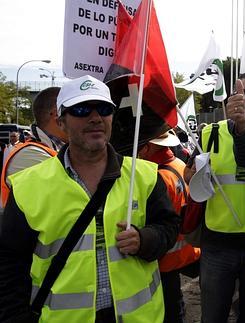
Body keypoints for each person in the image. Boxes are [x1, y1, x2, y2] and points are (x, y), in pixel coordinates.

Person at [0, 75, 180, 322]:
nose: (95, 117)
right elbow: (9, 266)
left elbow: (169, 229)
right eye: (82, 109)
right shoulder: (28, 186)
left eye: (104, 109)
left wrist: (145, 239)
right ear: (61, 122)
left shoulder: (145, 175)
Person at [187, 72, 245, 323]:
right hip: (218, 245)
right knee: (212, 316)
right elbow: (189, 175)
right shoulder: (211, 133)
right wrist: (197, 177)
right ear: (234, 98)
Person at [138, 129, 200, 323]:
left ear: (147, 148)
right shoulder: (179, 164)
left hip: (165, 258)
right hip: (184, 251)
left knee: (170, 310)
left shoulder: (157, 176)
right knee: (176, 305)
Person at [1, 86, 67, 207]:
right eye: (79, 110)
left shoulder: (53, 149)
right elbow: (77, 192)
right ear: (57, 114)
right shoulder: (31, 155)